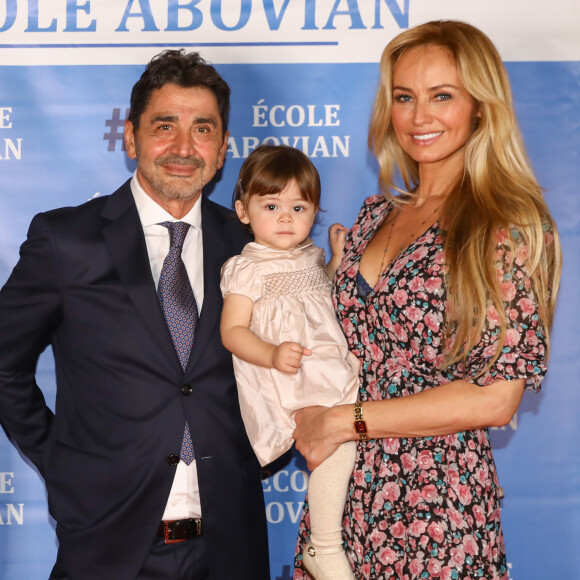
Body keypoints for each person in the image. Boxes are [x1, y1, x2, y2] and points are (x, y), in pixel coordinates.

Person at [292, 20, 561, 579]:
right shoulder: (372, 216)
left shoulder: (505, 224)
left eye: (442, 96)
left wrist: (348, 419)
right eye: (404, 97)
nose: (420, 117)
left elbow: (496, 400)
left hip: (438, 505)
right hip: (342, 499)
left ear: (481, 108)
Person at [0, 49, 270, 579]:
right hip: (108, 544)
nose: (183, 148)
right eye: (164, 126)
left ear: (223, 149)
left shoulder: (250, 244)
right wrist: (62, 461)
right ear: (130, 137)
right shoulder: (66, 240)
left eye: (203, 129)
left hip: (230, 544)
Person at [220, 145, 360, 579]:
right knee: (336, 446)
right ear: (244, 211)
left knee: (350, 444)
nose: (285, 218)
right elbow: (233, 331)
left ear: (314, 211)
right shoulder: (247, 268)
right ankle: (324, 546)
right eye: (271, 205)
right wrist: (272, 353)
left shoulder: (311, 257)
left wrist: (336, 259)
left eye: (298, 207)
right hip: (293, 380)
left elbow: (323, 299)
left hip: (329, 368)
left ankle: (329, 542)